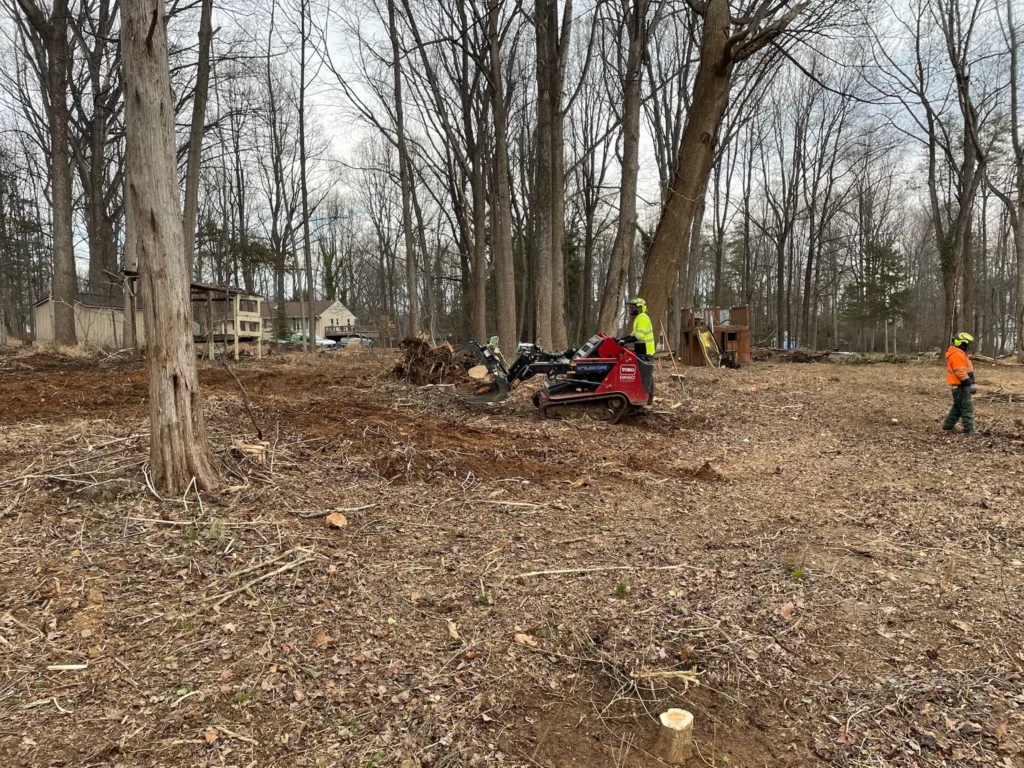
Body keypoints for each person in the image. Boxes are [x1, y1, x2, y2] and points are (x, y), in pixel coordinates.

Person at [620, 297, 656, 403]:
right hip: (641, 350)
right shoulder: (638, 318)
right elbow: (632, 335)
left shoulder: (643, 318)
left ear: (639, 308)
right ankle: (646, 396)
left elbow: (639, 336)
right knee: (643, 374)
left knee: (645, 374)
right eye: (630, 308)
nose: (630, 310)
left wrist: (624, 342)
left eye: (632, 308)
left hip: (646, 350)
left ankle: (648, 398)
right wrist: (621, 339)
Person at [943, 332, 977, 435]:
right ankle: (969, 430)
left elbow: (967, 370)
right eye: (966, 343)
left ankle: (947, 426)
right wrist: (969, 384)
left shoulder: (960, 354)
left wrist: (972, 381)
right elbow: (960, 372)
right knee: (967, 408)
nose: (967, 346)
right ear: (961, 343)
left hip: (960, 387)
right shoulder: (957, 354)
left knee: (957, 408)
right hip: (961, 387)